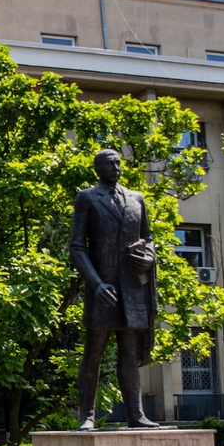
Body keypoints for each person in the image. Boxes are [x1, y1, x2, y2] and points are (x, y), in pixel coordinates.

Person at [69, 148, 160, 429]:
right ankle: (87, 416)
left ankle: (136, 414)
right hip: (103, 288)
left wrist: (149, 257)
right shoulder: (87, 198)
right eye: (110, 163)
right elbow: (76, 247)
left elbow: (148, 239)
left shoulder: (137, 199)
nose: (116, 167)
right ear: (98, 168)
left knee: (130, 352)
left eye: (118, 162)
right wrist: (95, 284)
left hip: (132, 288)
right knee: (93, 351)